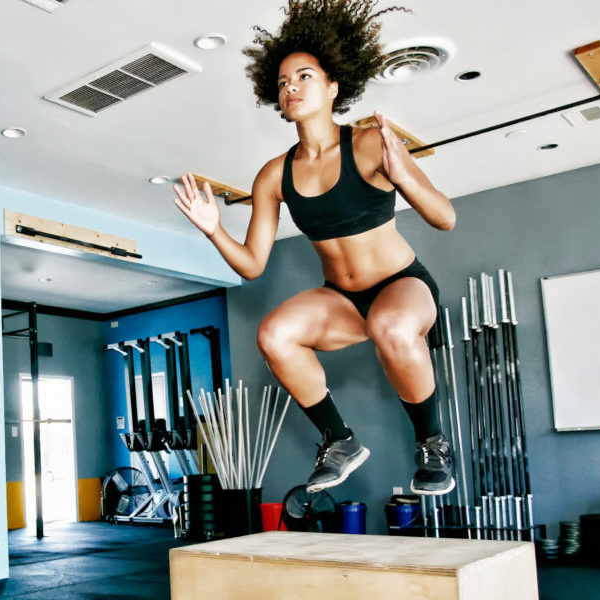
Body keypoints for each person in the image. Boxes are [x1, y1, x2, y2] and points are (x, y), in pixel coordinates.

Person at [173, 0, 456, 496]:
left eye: (304, 76)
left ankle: (431, 443)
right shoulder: (274, 175)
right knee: (274, 334)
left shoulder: (368, 144)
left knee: (390, 324)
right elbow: (253, 266)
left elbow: (444, 218)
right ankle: (338, 440)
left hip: (402, 286)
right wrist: (213, 229)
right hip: (342, 299)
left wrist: (402, 168)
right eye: (283, 82)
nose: (292, 88)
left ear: (332, 87)